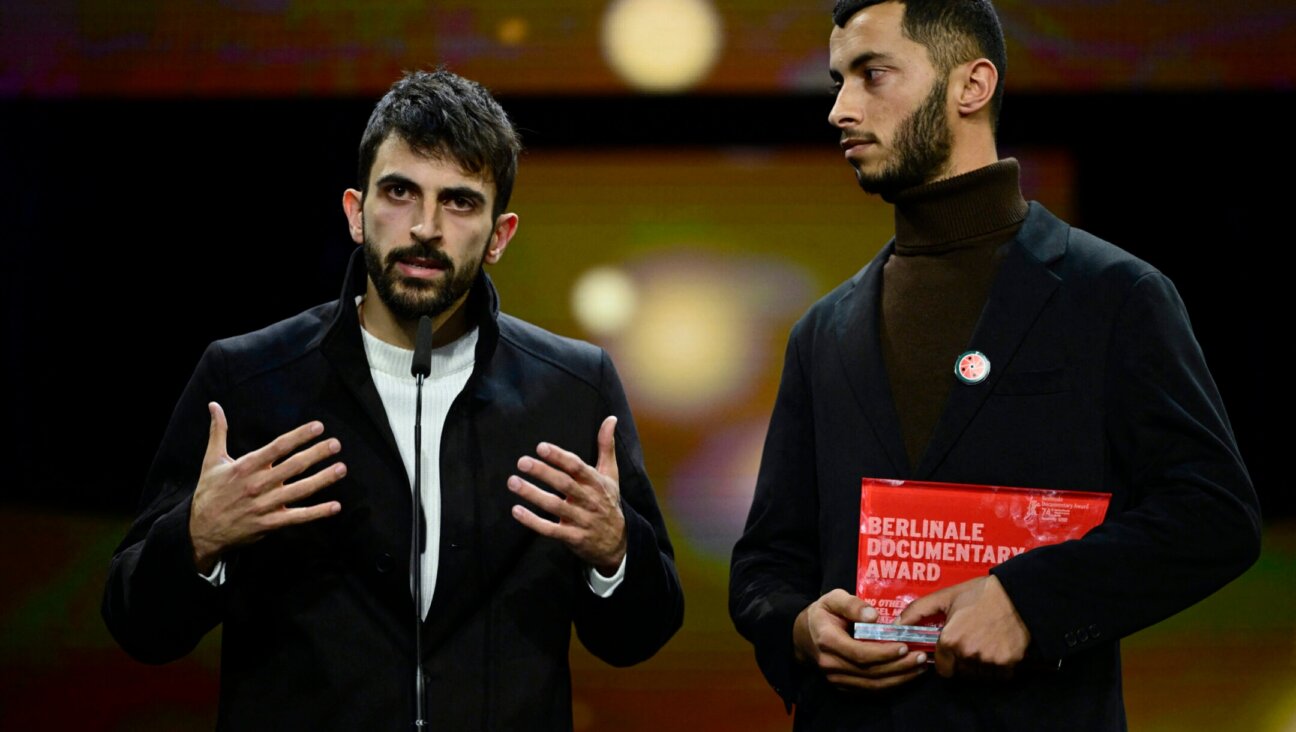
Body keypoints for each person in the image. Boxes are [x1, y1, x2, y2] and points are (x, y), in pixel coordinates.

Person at [728, 1, 1260, 729]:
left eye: (872, 74)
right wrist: (797, 627)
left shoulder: (1114, 294)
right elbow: (766, 561)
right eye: (836, 82)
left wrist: (1028, 602)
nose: (841, 109)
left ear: (970, 86)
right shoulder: (822, 331)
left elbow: (1213, 516)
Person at [102, 69, 683, 731]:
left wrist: (616, 554)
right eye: (400, 193)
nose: (426, 227)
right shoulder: (247, 381)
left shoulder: (574, 390)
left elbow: (640, 636)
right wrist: (195, 541)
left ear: (500, 235)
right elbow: (139, 629)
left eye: (460, 202)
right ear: (356, 211)